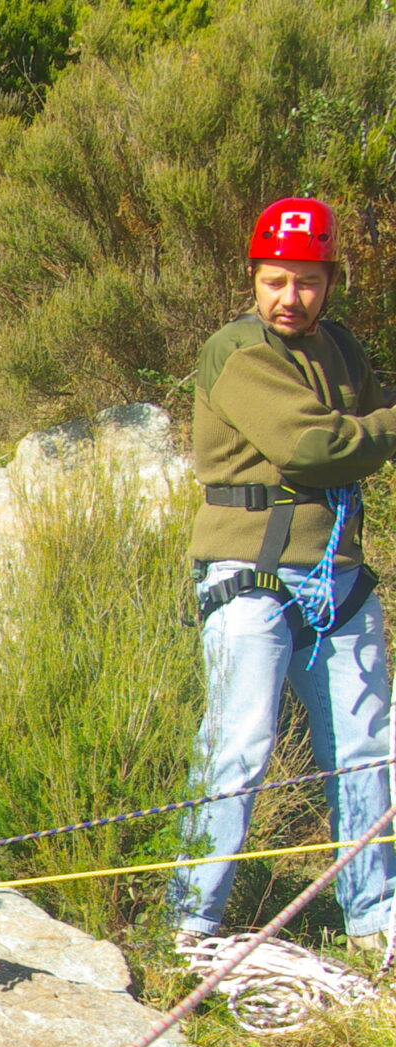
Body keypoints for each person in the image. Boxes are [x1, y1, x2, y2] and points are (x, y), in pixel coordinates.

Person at [172, 195, 396, 959]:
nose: (289, 298)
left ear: (330, 283)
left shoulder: (342, 349)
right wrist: (378, 432)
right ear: (253, 279)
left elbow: (365, 426)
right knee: (238, 746)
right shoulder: (237, 351)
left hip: (339, 576)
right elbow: (312, 448)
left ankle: (374, 919)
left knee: (367, 750)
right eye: (275, 281)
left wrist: (370, 431)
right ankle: (191, 921)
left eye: (306, 281)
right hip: (250, 573)